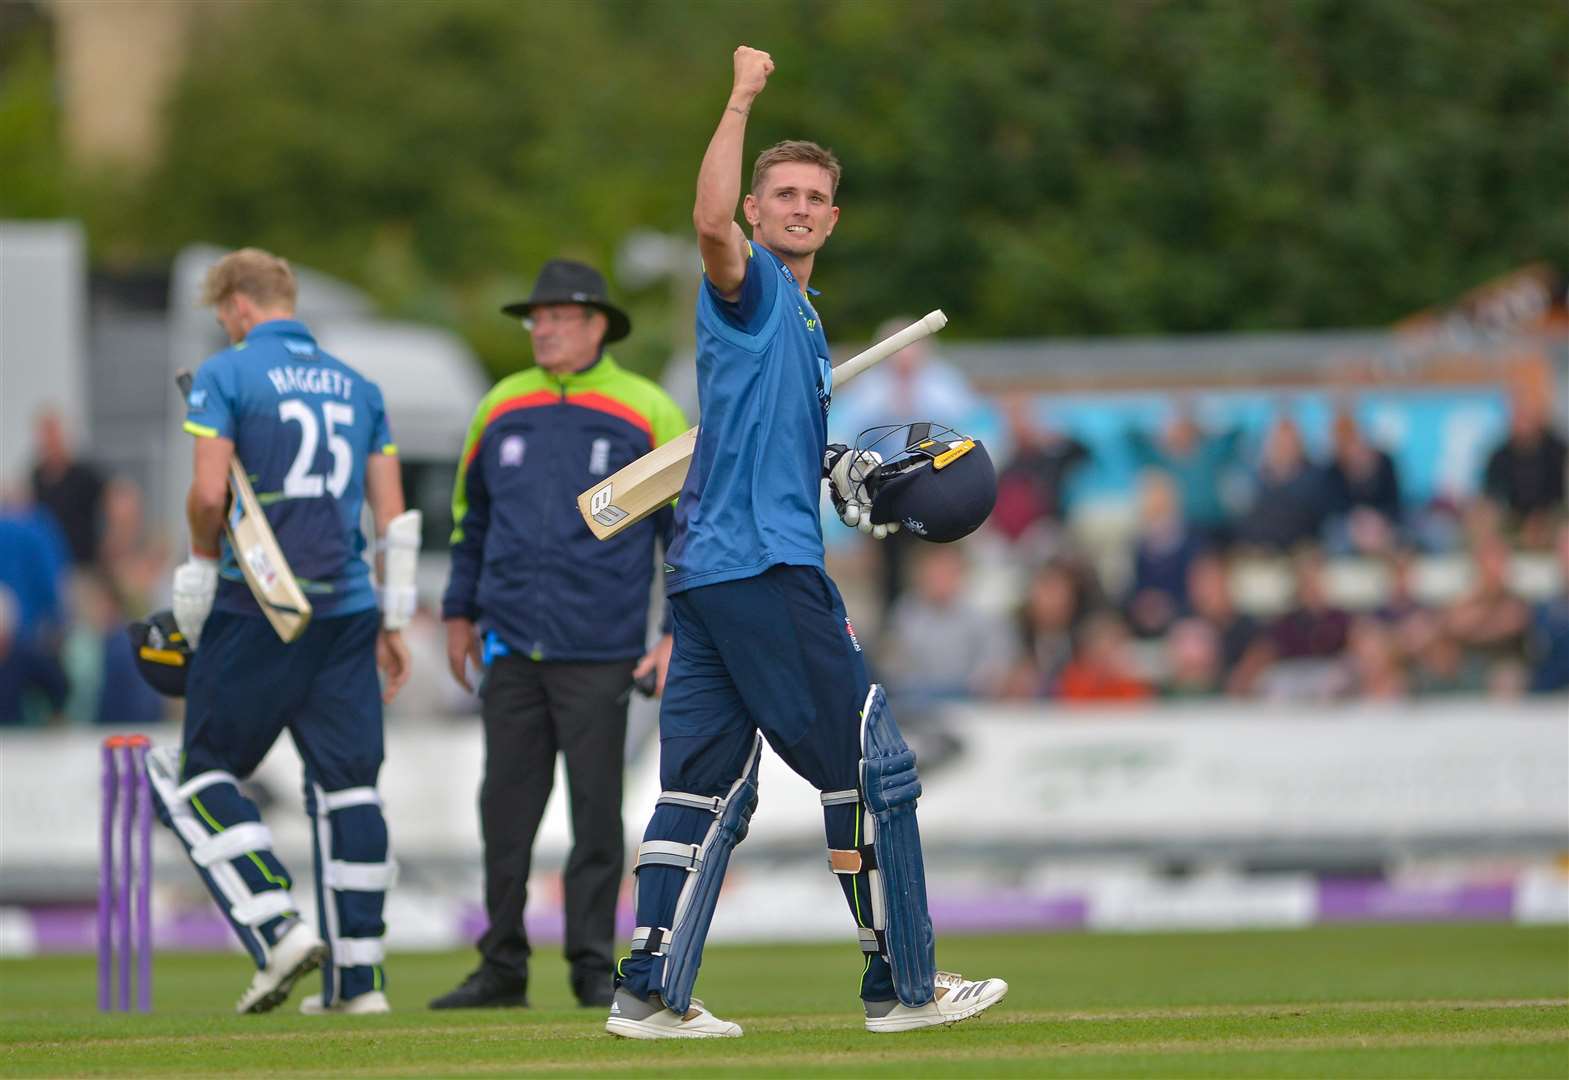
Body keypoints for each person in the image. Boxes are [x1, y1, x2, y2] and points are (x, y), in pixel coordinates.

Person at [605, 46, 1006, 1041]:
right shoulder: (748, 287)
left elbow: (761, 436)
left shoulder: (804, 324)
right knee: (874, 767)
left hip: (703, 575)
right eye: (779, 192)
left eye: (813, 195)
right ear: (755, 210)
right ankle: (904, 987)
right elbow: (703, 224)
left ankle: (649, 990)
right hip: (766, 568)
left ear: (831, 217)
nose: (796, 205)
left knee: (701, 786)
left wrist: (830, 466)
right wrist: (739, 96)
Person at [145, 248, 415, 1016]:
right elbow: (395, 520)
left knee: (195, 776)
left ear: (235, 307)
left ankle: (275, 923)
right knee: (350, 788)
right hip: (351, 607)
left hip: (260, 602)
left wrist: (198, 567)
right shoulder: (360, 388)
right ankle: (360, 985)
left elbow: (207, 494)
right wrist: (393, 621)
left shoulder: (228, 373)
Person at [434, 258, 688, 1011]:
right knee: (504, 813)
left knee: (595, 817)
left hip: (602, 648)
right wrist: (457, 613)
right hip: (509, 643)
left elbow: (683, 536)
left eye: (556, 317)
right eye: (534, 318)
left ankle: (588, 966)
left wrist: (674, 632)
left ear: (597, 324)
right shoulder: (501, 405)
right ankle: (502, 965)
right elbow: (467, 521)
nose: (540, 328)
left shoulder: (647, 410)